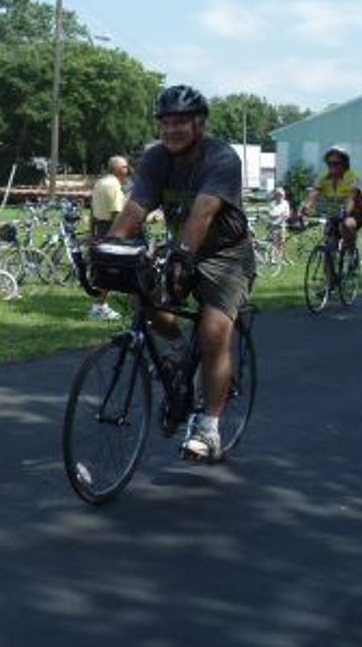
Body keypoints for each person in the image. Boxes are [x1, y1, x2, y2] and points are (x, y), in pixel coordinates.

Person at [109, 84, 255, 463]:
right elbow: (135, 208)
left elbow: (204, 211)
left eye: (181, 123)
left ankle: (209, 425)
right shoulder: (156, 158)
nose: (172, 130)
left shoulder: (220, 158)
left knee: (212, 332)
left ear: (199, 124)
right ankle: (176, 353)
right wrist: (108, 249)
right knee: (140, 292)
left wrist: (183, 255)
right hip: (182, 248)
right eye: (166, 123)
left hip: (226, 255)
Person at [87, 155, 130, 321]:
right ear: (118, 169)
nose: (127, 170)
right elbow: (116, 214)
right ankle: (99, 306)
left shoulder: (100, 182)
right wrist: (119, 235)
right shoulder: (113, 185)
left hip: (100, 227)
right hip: (111, 228)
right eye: (125, 167)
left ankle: (101, 305)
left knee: (104, 268)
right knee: (114, 268)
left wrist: (92, 232)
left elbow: (92, 211)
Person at [301, 145, 362, 250]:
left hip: (355, 213)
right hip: (335, 214)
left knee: (346, 224)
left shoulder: (351, 177)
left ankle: (350, 249)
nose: (332, 166)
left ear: (344, 164)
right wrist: (305, 208)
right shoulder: (323, 178)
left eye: (336, 164)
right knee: (328, 245)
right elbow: (313, 194)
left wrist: (346, 212)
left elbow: (351, 197)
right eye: (329, 163)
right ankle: (331, 261)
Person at [265, 187, 291, 259]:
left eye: (282, 195)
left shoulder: (286, 203)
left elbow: (288, 214)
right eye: (279, 195)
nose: (281, 197)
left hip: (282, 225)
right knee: (274, 241)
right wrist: (280, 214)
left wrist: (285, 215)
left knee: (282, 242)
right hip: (273, 225)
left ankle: (280, 257)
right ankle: (272, 258)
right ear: (276, 195)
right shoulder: (272, 204)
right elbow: (271, 214)